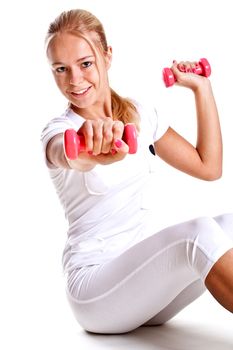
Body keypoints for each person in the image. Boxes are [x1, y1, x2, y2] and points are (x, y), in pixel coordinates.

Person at [41, 9, 233, 334]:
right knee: (198, 233)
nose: (74, 80)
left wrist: (202, 88)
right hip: (96, 293)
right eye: (61, 69)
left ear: (107, 55)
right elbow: (70, 156)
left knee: (229, 223)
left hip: (143, 288)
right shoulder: (59, 130)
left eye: (85, 63)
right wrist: (94, 151)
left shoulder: (139, 114)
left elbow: (209, 167)